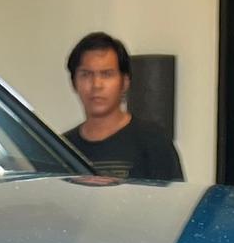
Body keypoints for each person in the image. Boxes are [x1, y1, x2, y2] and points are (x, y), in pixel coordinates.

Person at [60, 31, 182, 180]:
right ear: (74, 83)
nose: (96, 85)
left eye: (107, 74)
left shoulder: (154, 142)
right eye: (86, 74)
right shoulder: (61, 149)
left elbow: (174, 195)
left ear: (124, 82)